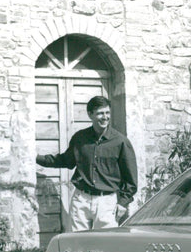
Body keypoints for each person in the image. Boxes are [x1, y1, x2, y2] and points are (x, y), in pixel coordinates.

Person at [36, 96, 137, 231]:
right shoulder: (80, 138)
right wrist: (36, 158)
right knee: (79, 245)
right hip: (81, 200)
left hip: (107, 203)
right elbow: (66, 160)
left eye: (107, 113)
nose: (105, 117)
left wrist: (123, 203)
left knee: (105, 244)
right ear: (90, 114)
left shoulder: (121, 141)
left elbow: (131, 179)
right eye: (100, 113)